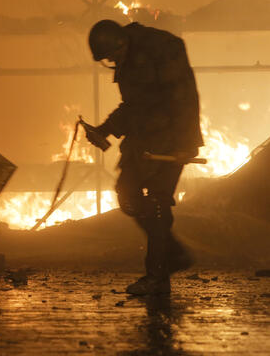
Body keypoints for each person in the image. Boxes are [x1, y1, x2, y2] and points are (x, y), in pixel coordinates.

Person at [85, 19, 203, 295]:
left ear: (121, 43)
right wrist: (106, 131)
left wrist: (185, 144)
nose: (112, 62)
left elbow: (184, 98)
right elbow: (135, 106)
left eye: (113, 56)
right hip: (144, 142)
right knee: (128, 195)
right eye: (108, 59)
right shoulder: (128, 60)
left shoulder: (162, 51)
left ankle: (157, 277)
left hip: (172, 142)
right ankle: (173, 254)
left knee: (159, 203)